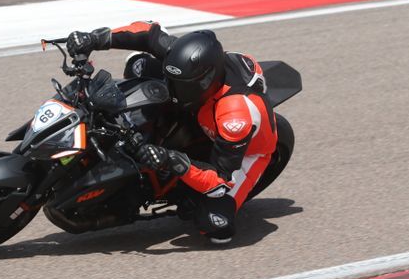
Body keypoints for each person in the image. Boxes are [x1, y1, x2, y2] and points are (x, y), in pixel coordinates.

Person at [66, 21, 277, 244]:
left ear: (206, 81)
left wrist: (172, 160)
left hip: (243, 155)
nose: (172, 89)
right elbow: (147, 33)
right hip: (201, 108)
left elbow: (221, 179)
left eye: (182, 85)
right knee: (138, 65)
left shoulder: (235, 116)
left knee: (214, 225)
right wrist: (95, 38)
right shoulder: (188, 62)